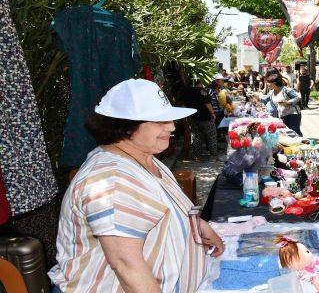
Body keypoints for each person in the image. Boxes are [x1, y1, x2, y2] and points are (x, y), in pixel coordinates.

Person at [48, 79, 225, 292]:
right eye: (159, 121)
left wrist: (194, 224)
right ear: (124, 127)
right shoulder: (111, 179)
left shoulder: (142, 157)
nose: (171, 127)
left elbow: (161, 206)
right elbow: (127, 267)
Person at [179, 80, 219, 159]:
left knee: (196, 136)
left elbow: (182, 104)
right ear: (200, 83)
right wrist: (212, 113)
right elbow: (207, 103)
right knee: (211, 135)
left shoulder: (186, 91)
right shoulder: (202, 91)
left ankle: (196, 155)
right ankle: (213, 155)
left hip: (192, 117)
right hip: (205, 117)